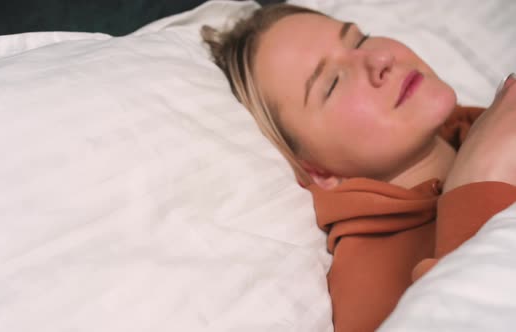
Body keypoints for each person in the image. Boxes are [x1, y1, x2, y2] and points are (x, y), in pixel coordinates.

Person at [201, 3, 516, 332]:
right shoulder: (366, 280)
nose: (380, 59)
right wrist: (480, 186)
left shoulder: (494, 120)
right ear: (319, 172)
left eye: (360, 40)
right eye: (333, 82)